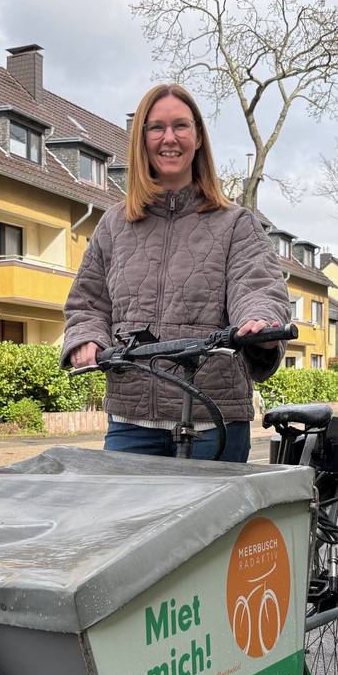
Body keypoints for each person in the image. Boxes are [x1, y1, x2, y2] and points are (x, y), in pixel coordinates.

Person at [61, 83, 290, 462]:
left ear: (198, 138)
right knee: (126, 523)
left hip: (212, 420)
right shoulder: (114, 224)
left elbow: (258, 285)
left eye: (181, 126)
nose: (169, 138)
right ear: (141, 140)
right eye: (156, 128)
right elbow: (87, 302)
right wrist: (87, 338)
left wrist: (259, 323)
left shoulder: (235, 223)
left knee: (217, 524)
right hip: (133, 422)